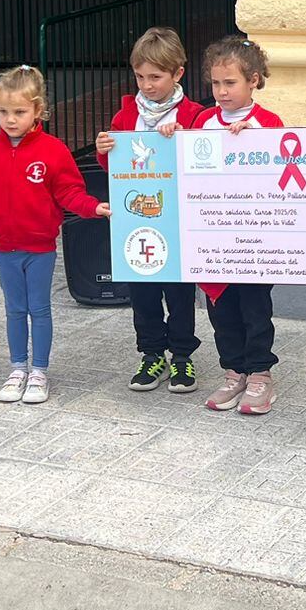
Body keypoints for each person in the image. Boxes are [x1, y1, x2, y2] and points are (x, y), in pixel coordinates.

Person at [0, 65, 110, 405]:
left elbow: (70, 192)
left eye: (19, 112)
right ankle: (17, 368)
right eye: (4, 111)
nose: (10, 119)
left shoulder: (53, 151)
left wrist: (93, 207)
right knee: (14, 310)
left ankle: (39, 372)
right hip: (5, 249)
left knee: (39, 309)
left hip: (40, 248)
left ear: (38, 111)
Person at [93, 26, 208, 394]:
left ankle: (182, 356)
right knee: (142, 292)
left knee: (179, 293)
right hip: (135, 224)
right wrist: (104, 146)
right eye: (140, 76)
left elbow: (207, 161)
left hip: (179, 221)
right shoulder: (127, 115)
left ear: (177, 74)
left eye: (155, 77)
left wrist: (186, 139)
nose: (146, 85)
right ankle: (151, 353)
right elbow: (114, 166)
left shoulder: (194, 114)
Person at [190, 36, 285, 416]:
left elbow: (284, 174)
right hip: (214, 238)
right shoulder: (202, 122)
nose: (221, 91)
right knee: (221, 308)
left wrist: (254, 142)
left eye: (230, 83)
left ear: (254, 81)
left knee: (254, 306)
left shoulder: (269, 124)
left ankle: (260, 374)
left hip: (255, 238)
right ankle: (234, 371)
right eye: (215, 83)